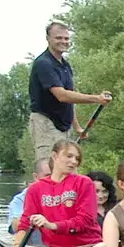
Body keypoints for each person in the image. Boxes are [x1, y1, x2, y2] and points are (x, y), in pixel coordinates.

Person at [27, 21, 112, 164]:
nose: (63, 41)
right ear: (48, 38)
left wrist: (77, 127)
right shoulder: (44, 64)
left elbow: (70, 99)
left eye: (66, 38)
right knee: (49, 166)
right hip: (46, 123)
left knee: (65, 166)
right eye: (58, 38)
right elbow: (62, 95)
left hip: (63, 125)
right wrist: (96, 98)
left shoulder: (65, 65)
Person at [7, 139, 101, 247]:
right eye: (69, 156)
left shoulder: (84, 183)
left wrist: (52, 226)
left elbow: (86, 220)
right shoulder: (35, 189)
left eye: (77, 158)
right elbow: (25, 224)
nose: (74, 161)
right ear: (54, 156)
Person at [7, 157, 52, 233]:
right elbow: (15, 227)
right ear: (36, 177)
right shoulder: (20, 199)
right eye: (48, 175)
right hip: (31, 243)